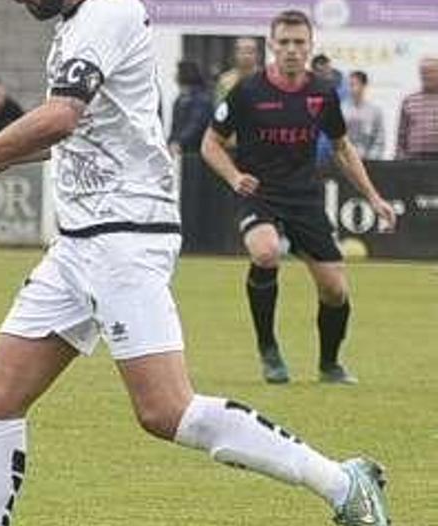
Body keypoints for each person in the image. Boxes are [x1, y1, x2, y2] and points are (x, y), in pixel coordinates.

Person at [0, 3, 391, 526]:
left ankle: (340, 483)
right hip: (77, 243)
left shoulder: (108, 11)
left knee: (165, 409)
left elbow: (62, 116)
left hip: (125, 233)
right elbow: (71, 133)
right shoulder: (72, 28)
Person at [201, 10, 396, 387]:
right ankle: (269, 350)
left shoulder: (322, 93)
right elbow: (211, 143)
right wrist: (234, 175)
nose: (292, 49)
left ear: (310, 46)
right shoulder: (248, 91)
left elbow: (342, 148)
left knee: (335, 290)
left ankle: (329, 365)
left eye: (299, 42)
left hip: (304, 198)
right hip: (260, 193)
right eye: (284, 42)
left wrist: (373, 197)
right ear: (272, 44)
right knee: (266, 251)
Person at [168, 61, 213, 156]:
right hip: (182, 149)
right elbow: (175, 125)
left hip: (196, 151)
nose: (175, 76)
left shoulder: (201, 98)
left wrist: (179, 141)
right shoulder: (180, 98)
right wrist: (171, 141)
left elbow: (196, 123)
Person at [396, 56, 438, 160]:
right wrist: (399, 156)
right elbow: (402, 133)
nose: (427, 76)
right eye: (424, 72)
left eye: (431, 72)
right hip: (414, 157)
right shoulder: (409, 100)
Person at [344, 71, 386, 160]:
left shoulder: (375, 111)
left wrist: (371, 158)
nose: (350, 89)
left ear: (363, 85)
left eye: (353, 85)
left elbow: (379, 140)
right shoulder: (342, 110)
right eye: (349, 85)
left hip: (369, 161)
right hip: (346, 161)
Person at [215, 37, 261, 103]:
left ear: (258, 54)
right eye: (242, 52)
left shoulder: (266, 78)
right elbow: (220, 107)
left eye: (250, 52)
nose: (246, 56)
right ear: (235, 54)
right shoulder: (225, 80)